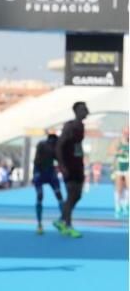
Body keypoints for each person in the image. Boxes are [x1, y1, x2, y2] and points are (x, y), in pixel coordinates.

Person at [55, 101, 89, 238]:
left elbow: (77, 147)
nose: (87, 111)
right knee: (71, 195)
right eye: (84, 109)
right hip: (69, 166)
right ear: (77, 111)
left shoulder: (81, 126)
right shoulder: (70, 126)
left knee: (77, 195)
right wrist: (62, 166)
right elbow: (59, 145)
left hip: (77, 165)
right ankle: (67, 225)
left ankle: (61, 219)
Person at [32, 132, 64, 235]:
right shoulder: (42, 145)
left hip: (50, 173)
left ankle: (63, 221)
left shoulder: (53, 147)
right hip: (40, 173)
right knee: (40, 195)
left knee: (59, 196)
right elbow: (37, 160)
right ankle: (39, 224)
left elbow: (59, 159)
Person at [111, 127, 129, 217]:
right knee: (119, 188)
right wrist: (119, 152)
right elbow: (111, 151)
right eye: (126, 132)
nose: (127, 134)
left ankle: (125, 205)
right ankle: (117, 206)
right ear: (123, 132)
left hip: (128, 167)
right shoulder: (117, 141)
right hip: (119, 167)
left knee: (128, 187)